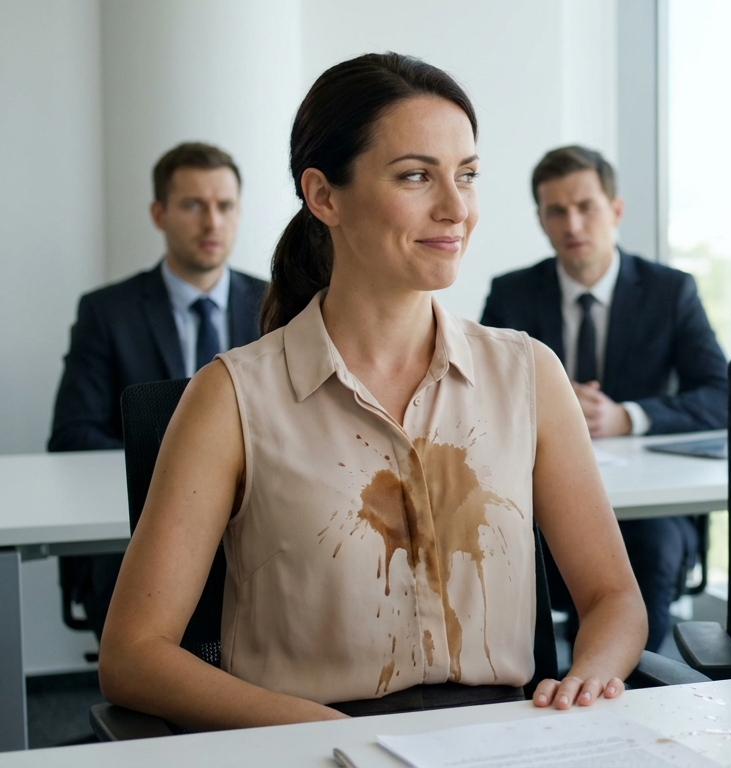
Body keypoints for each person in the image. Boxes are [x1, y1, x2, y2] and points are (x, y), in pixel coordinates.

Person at [98, 53, 647, 730]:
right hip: (311, 745)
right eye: (416, 176)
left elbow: (613, 598)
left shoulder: (528, 373)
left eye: (467, 175)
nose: (456, 208)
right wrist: (327, 735)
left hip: (498, 740)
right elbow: (132, 654)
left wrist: (587, 681)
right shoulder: (231, 397)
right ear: (324, 195)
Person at [480, 145, 728, 652]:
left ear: (614, 210)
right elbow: (478, 396)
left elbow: (724, 394)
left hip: (649, 507)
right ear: (542, 221)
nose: (573, 223)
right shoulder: (512, 294)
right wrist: (543, 402)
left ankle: (634, 686)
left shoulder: (670, 291)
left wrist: (627, 417)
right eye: (556, 211)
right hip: (540, 499)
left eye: (586, 206)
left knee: (652, 550)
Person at [49, 142, 267, 639]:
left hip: (254, 523)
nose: (212, 222)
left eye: (225, 206)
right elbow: (72, 434)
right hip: (141, 528)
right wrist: (181, 473)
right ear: (159, 213)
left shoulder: (276, 306)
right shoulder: (107, 313)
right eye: (193, 205)